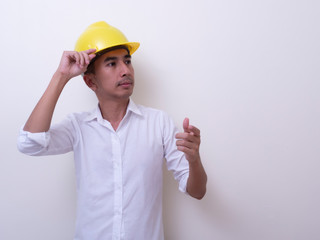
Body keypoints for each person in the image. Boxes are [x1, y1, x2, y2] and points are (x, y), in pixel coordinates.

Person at [17, 21, 207, 240]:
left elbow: (197, 191)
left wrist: (194, 160)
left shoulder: (159, 123)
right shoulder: (78, 127)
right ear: (90, 82)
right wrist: (61, 76)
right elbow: (29, 143)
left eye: (127, 61)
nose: (125, 70)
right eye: (112, 63)